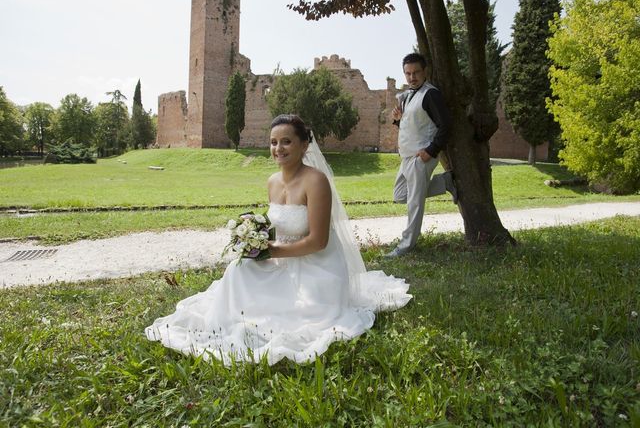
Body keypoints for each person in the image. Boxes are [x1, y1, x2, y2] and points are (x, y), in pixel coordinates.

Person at [145, 114, 412, 365]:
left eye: (286, 141)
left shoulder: (316, 181)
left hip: (317, 267)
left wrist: (271, 251)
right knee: (238, 271)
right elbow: (275, 227)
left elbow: (318, 241)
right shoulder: (272, 181)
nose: (278, 148)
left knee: (301, 314)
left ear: (304, 144)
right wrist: (254, 240)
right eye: (273, 142)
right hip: (280, 258)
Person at [384, 53, 457, 258]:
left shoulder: (431, 94)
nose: (412, 77)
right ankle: (446, 182)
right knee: (400, 195)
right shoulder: (409, 95)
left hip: (420, 157)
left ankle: (406, 246)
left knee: (415, 203)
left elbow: (446, 125)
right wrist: (399, 120)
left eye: (416, 72)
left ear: (424, 72)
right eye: (408, 73)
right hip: (407, 157)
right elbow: (415, 125)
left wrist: (430, 151)